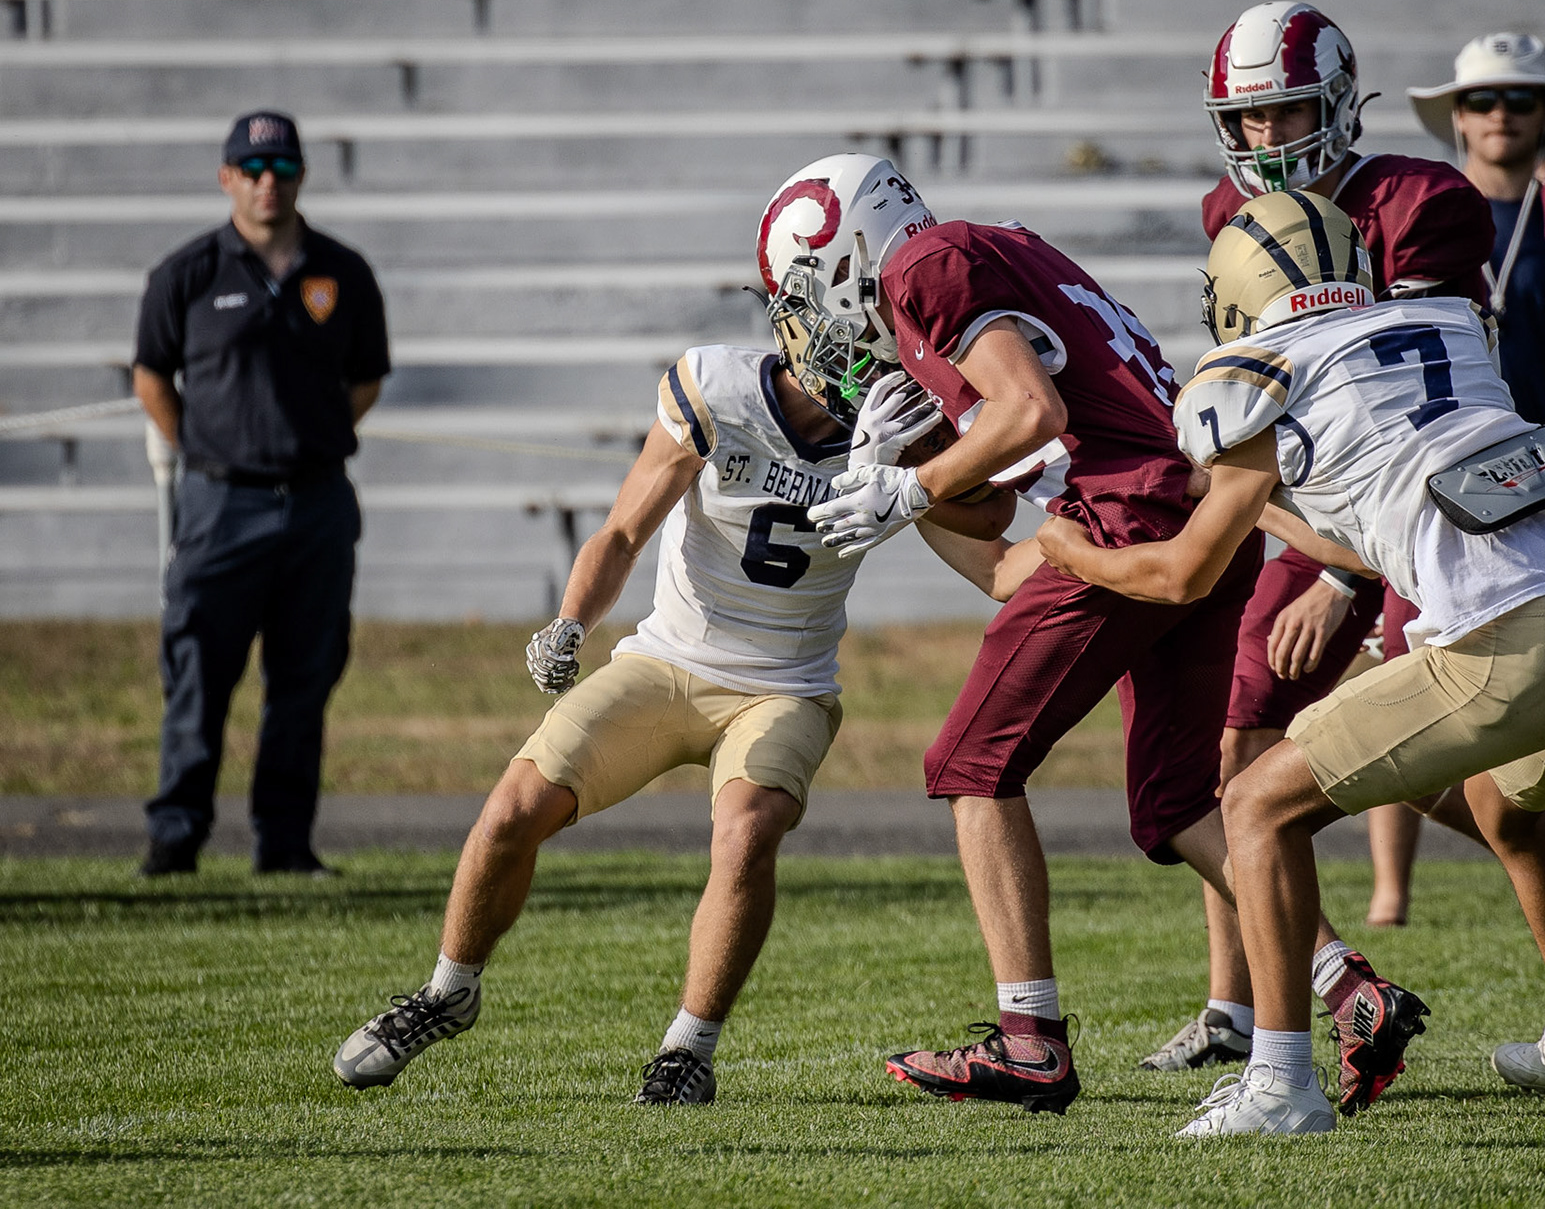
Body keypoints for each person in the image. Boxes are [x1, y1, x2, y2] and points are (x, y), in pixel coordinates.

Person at [1040, 190, 1545, 1137]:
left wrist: (1067, 550)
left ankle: (1281, 1085)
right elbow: (1367, 536)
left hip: (1506, 649)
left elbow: (1182, 575)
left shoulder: (1252, 369)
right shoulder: (1443, 319)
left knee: (1253, 804)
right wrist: (1249, 502)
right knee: (1504, 806)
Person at [332, 335, 994, 1103]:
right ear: (797, 323)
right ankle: (448, 991)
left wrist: (916, 479)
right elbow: (621, 532)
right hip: (665, 660)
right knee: (513, 808)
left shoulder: (904, 425)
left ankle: (688, 1050)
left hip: (784, 686)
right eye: (844, 337)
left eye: (872, 341)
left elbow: (992, 532)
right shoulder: (718, 389)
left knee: (747, 829)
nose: (864, 362)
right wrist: (571, 623)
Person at [771, 152, 1261, 1115]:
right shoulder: (992, 256)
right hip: (1185, 511)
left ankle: (1030, 1042)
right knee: (1172, 804)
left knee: (970, 761)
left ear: (848, 246)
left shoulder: (925, 266)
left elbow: (1035, 410)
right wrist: (908, 462)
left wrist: (909, 486)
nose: (810, 318)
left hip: (1129, 515)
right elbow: (998, 535)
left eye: (803, 288)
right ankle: (1349, 987)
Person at [1358, 33, 1545, 911]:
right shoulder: (1420, 210)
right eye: (1483, 100)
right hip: (1437, 470)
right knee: (1404, 667)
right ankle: (1392, 890)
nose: (1500, 114)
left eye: (1520, 100)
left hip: (1543, 470)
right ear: (1457, 117)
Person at [132, 110, 389, 877]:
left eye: (279, 169)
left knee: (304, 680)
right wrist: (209, 451)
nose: (265, 182)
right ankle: (174, 842)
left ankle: (284, 846)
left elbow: (366, 380)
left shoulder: (344, 272)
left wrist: (303, 446)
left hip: (315, 503)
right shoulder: (187, 273)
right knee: (197, 676)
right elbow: (151, 375)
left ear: (301, 176)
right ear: (226, 178)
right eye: (251, 169)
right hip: (218, 505)